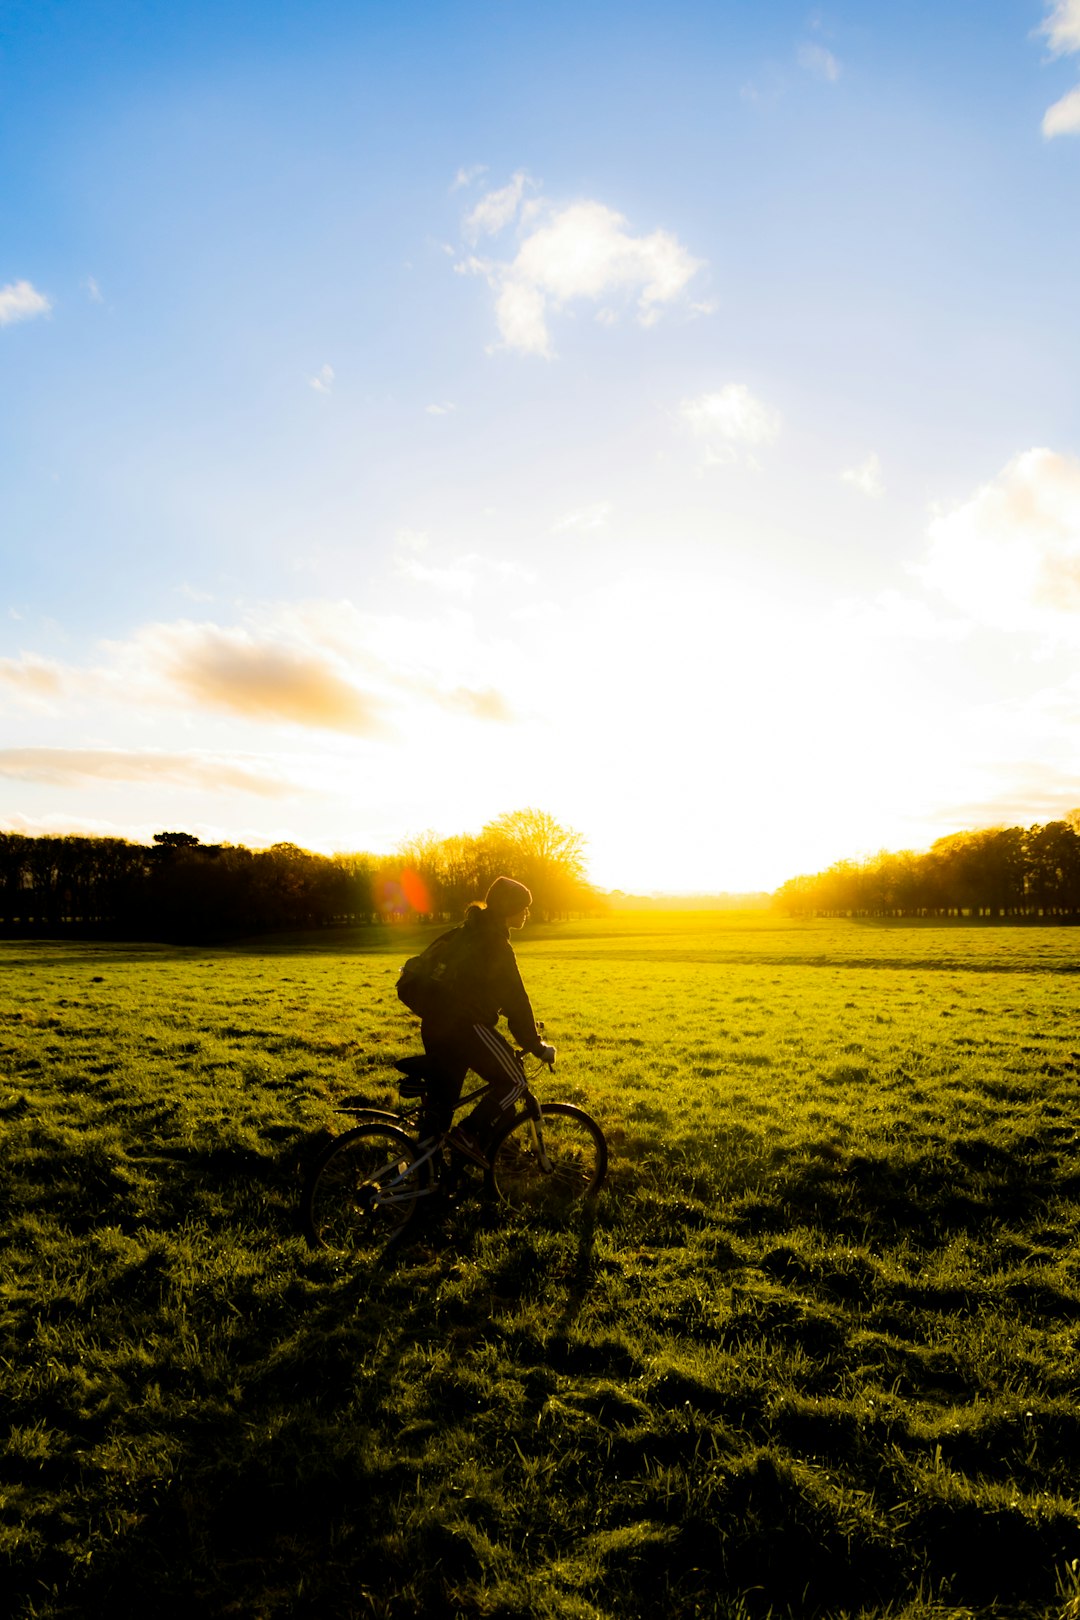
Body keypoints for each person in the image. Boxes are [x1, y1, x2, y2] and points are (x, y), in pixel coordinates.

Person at [419, 875, 555, 1167]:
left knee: (441, 1104)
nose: (527, 913)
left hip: (435, 1025)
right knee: (515, 1080)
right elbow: (516, 1000)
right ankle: (467, 1135)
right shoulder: (494, 942)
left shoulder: (466, 931)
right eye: (523, 907)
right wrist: (536, 1046)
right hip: (465, 1028)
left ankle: (423, 1173)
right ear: (508, 909)